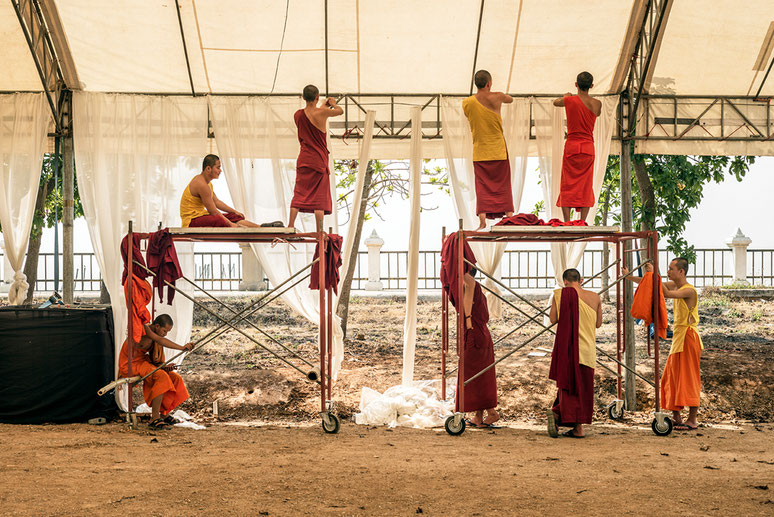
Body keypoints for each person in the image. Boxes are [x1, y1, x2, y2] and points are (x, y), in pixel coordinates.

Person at [624, 259, 703, 430]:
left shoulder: (688, 290)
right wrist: (629, 277)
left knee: (689, 377)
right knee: (670, 376)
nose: (668, 272)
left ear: (681, 272)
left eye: (671, 269)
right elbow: (652, 284)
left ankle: (692, 419)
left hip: (689, 337)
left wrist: (654, 274)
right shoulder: (676, 285)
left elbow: (664, 292)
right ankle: (677, 416)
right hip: (679, 337)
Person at [547, 268, 602, 438]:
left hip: (569, 351)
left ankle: (566, 420)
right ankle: (569, 421)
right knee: (583, 389)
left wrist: (558, 300)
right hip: (587, 350)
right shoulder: (595, 297)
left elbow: (553, 319)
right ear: (581, 279)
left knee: (568, 388)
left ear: (564, 281)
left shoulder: (560, 295)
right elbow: (598, 324)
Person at [118, 314, 194, 429]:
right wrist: (181, 347)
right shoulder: (145, 329)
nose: (165, 334)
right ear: (157, 326)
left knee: (174, 378)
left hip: (143, 362)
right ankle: (154, 418)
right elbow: (161, 339)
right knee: (161, 377)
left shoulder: (155, 335)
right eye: (164, 331)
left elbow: (155, 360)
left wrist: (164, 367)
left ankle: (164, 414)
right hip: (130, 364)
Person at [462, 70, 515, 230]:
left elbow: (470, 115)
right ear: (489, 83)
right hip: (498, 149)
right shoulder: (498, 97)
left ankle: (483, 221)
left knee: (482, 186)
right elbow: (510, 99)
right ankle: (509, 215)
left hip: (481, 152)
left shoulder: (467, 102)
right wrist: (500, 94)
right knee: (503, 184)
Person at [288, 84, 343, 231]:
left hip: (304, 159)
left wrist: (323, 106)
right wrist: (332, 104)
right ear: (317, 97)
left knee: (299, 193)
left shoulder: (297, 115)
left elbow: (308, 120)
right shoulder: (322, 113)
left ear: (303, 97)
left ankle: (290, 225)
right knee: (320, 197)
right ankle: (320, 231)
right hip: (318, 160)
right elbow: (340, 111)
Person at [552, 72, 602, 223]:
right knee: (586, 184)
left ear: (576, 84)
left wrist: (566, 96)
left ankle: (567, 221)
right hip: (587, 147)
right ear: (591, 86)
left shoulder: (569, 100)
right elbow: (597, 113)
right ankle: (582, 220)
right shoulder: (597, 103)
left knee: (568, 184)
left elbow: (555, 102)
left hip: (572, 146)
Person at [457, 269, 499, 427]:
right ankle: (478, 416)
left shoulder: (472, 285)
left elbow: (468, 280)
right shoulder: (472, 289)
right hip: (478, 333)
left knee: (474, 374)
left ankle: (492, 412)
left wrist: (467, 319)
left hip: (476, 334)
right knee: (478, 373)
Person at [180, 154, 259, 228]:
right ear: (208, 169)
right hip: (191, 221)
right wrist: (231, 225)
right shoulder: (201, 184)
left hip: (201, 216)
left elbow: (216, 202)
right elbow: (213, 211)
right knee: (219, 219)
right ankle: (240, 226)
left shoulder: (208, 184)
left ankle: (259, 227)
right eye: (218, 168)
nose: (220, 171)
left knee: (235, 216)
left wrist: (234, 211)